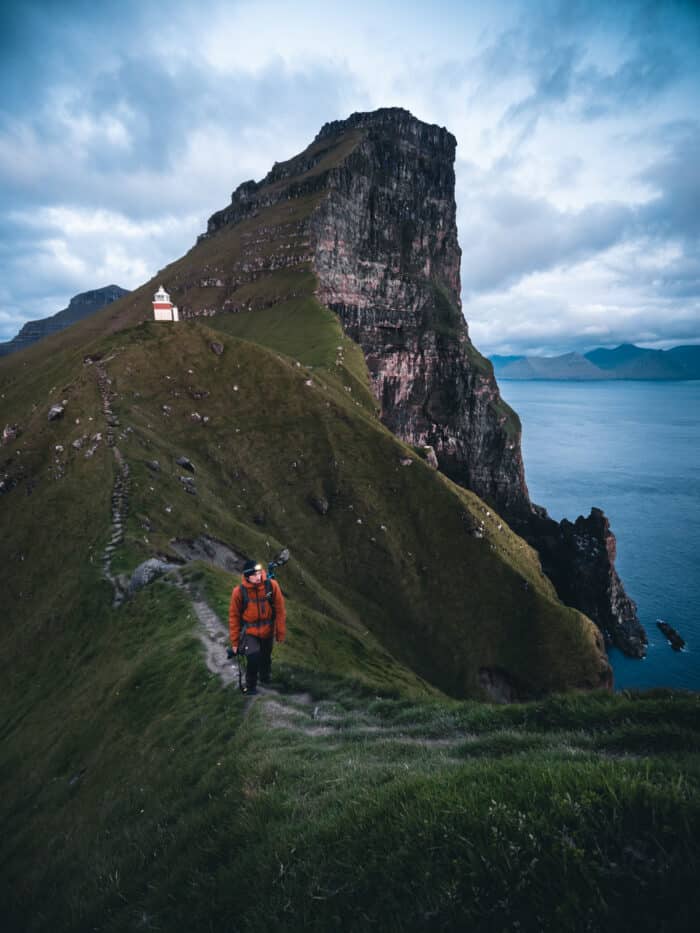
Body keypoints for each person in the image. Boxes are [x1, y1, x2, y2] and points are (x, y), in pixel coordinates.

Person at [228, 559, 286, 695]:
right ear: (247, 576)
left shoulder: (272, 586)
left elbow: (280, 610)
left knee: (265, 657)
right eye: (254, 574)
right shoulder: (239, 592)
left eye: (259, 573)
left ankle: (265, 678)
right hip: (250, 632)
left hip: (268, 630)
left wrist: (280, 632)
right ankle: (251, 686)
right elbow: (234, 618)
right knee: (253, 657)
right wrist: (235, 643)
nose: (258, 577)